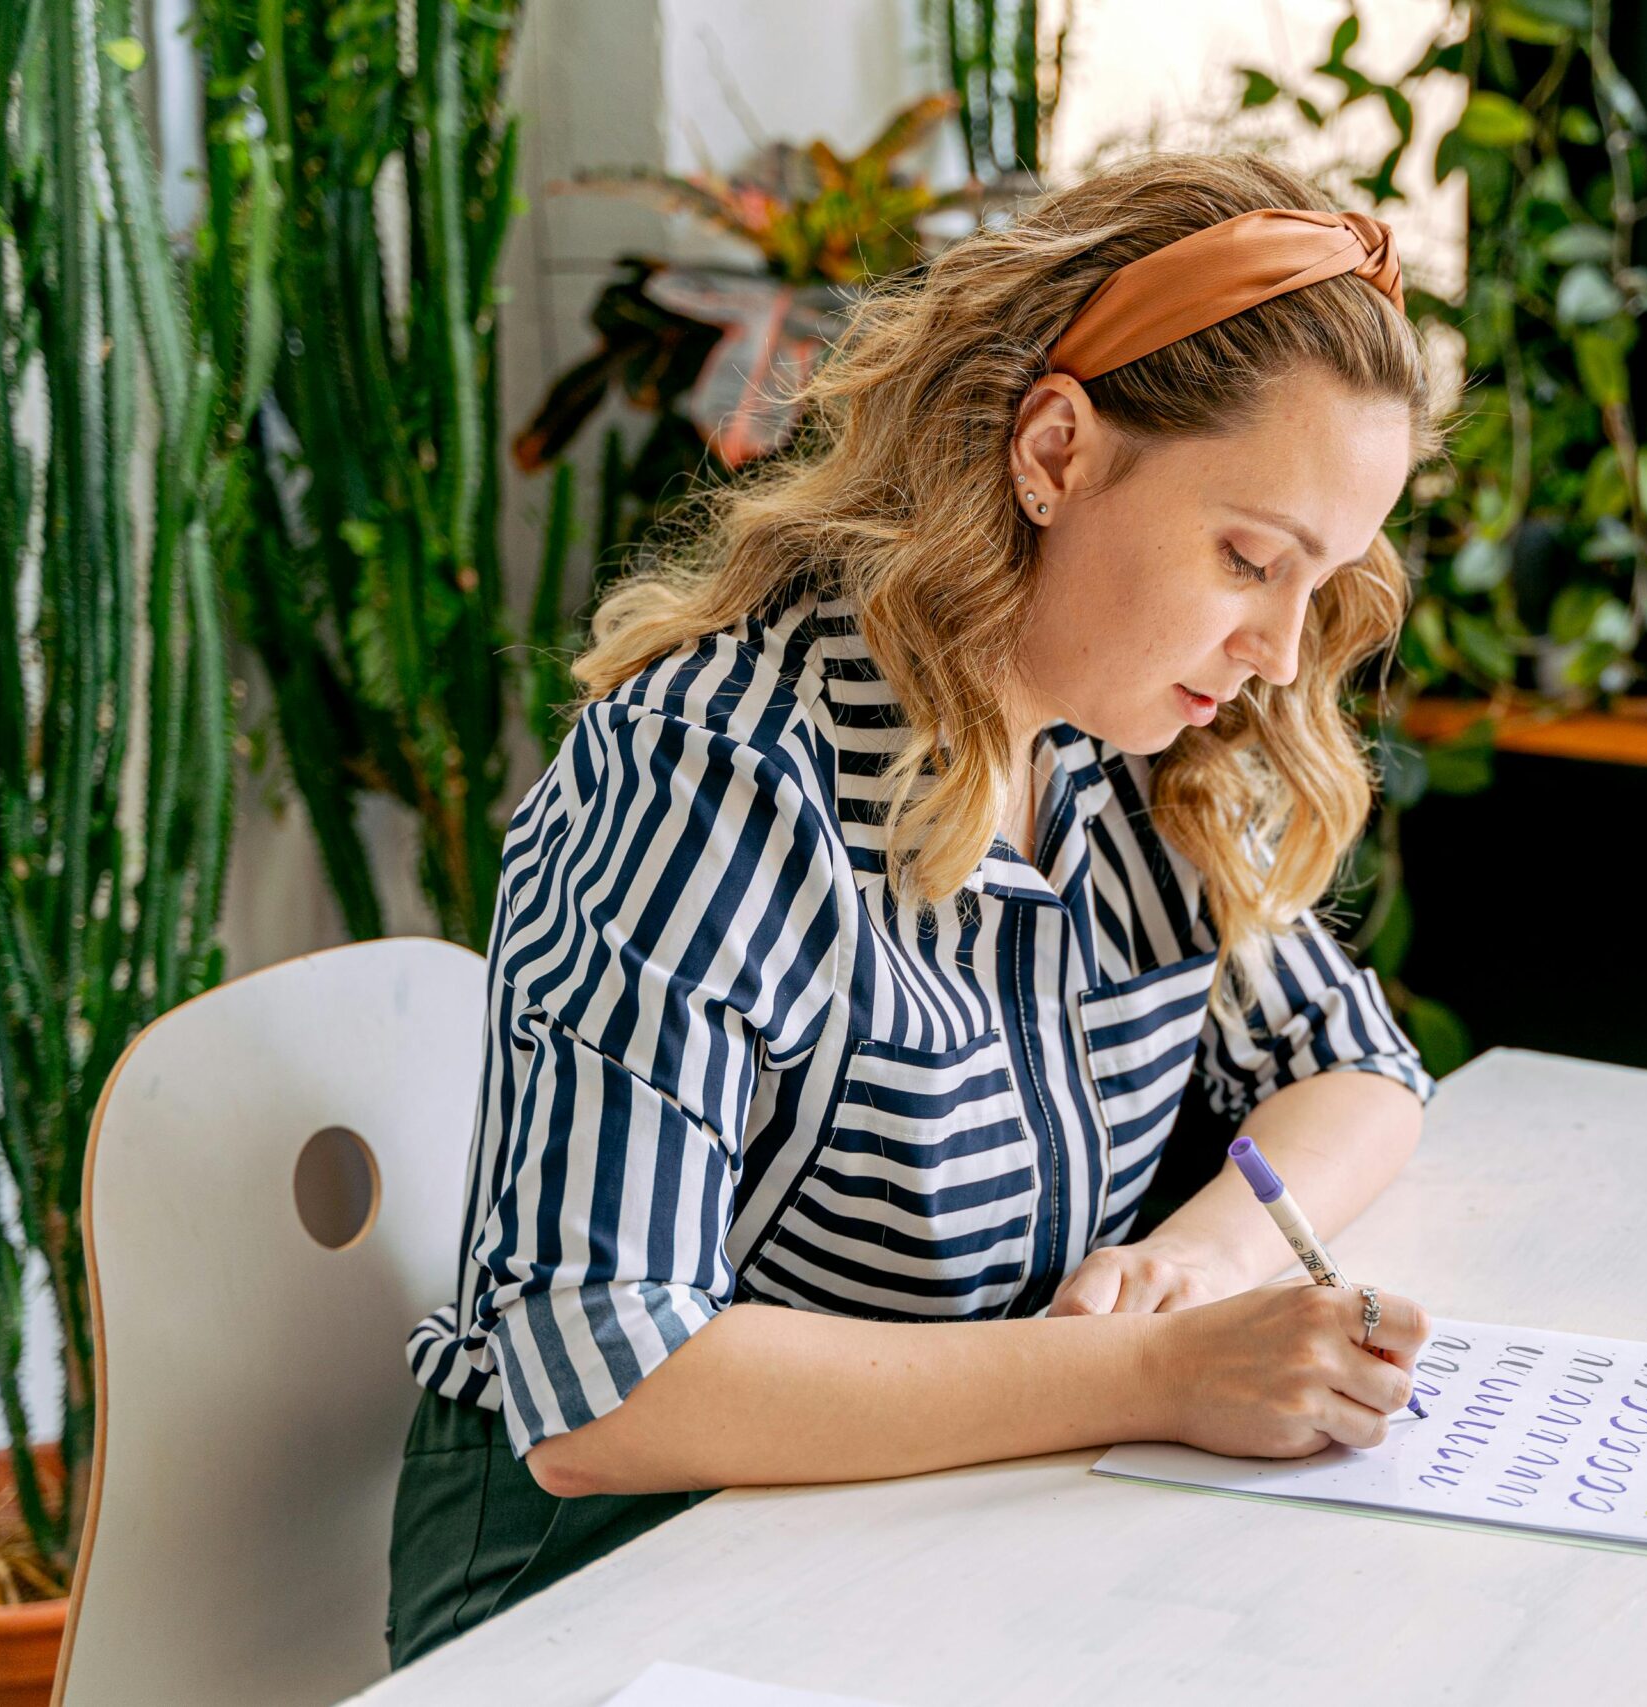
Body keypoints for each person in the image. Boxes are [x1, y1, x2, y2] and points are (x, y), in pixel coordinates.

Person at [385, 150, 1443, 1668]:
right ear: (1059, 451)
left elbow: (1362, 1079)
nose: (1281, 650)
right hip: (600, 1585)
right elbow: (605, 1391)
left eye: (1322, 580)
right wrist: (1149, 1373)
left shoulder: (1143, 750)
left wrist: (1203, 1268)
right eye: (1248, 559)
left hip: (924, 1530)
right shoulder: (710, 776)